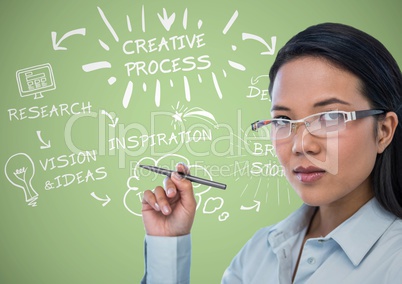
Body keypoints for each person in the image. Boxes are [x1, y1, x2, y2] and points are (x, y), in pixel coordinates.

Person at [140, 22, 402, 283]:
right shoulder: (258, 252)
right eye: (283, 120)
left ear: (384, 131)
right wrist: (168, 245)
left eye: (330, 117)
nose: (301, 145)